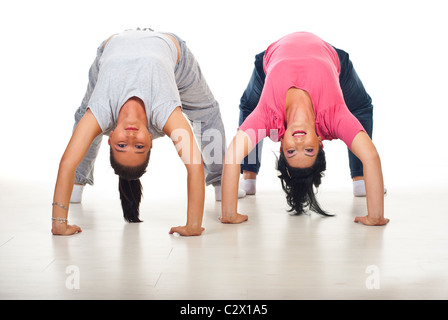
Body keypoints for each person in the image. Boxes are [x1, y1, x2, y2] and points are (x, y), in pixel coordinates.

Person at [51, 28, 244, 237]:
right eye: (139, 146)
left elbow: (67, 162)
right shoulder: (163, 110)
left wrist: (58, 223)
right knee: (206, 111)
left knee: (85, 118)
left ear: (111, 136)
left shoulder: (102, 111)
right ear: (151, 140)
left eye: (122, 146)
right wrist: (193, 226)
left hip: (112, 45)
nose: (131, 138)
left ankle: (77, 181)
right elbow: (194, 165)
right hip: (171, 52)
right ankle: (221, 182)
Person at [220, 31, 389, 226]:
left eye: (291, 152)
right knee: (361, 107)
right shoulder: (333, 116)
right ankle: (361, 179)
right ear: (320, 143)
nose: (299, 143)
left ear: (281, 143)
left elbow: (233, 154)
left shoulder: (268, 115)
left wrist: (229, 213)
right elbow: (371, 156)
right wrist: (376, 216)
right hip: (334, 61)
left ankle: (248, 176)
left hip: (268, 60)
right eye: (308, 150)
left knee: (249, 108)